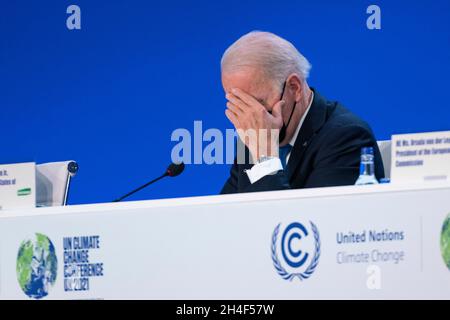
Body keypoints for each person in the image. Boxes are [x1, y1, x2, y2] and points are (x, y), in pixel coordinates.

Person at [220, 31, 384, 194]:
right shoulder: (253, 137)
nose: (250, 116)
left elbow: (308, 218)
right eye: (239, 105)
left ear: (294, 87)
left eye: (257, 103)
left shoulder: (346, 136)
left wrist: (265, 157)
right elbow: (225, 213)